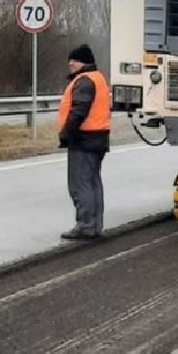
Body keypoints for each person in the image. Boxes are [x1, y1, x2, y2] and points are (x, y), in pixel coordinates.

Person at [58, 44, 111, 240]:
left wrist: (66, 133)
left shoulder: (84, 81)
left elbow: (78, 111)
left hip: (84, 138)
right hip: (97, 138)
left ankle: (86, 225)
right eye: (70, 60)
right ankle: (95, 225)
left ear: (85, 62)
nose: (71, 63)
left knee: (80, 184)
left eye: (75, 60)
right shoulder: (97, 78)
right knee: (93, 183)